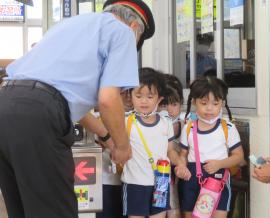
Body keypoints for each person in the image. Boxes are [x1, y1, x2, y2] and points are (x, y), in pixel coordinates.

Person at [0, 0, 155, 217]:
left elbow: (67, 97)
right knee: (54, 211)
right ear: (135, 29)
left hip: (6, 102)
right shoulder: (123, 32)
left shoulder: (70, 25)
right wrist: (122, 146)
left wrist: (107, 135)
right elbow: (109, 99)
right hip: (39, 115)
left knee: (23, 209)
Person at [121, 68, 190, 218]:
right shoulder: (126, 122)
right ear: (130, 96)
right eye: (138, 96)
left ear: (159, 99)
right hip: (135, 184)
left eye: (150, 96)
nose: (144, 101)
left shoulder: (165, 123)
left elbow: (170, 150)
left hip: (161, 183)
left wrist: (180, 164)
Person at [178, 76, 244, 218]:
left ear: (222, 103)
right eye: (204, 103)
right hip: (192, 180)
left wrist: (220, 163)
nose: (209, 108)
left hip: (218, 180)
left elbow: (239, 156)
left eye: (215, 103)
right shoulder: (189, 128)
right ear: (194, 102)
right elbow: (183, 154)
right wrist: (181, 167)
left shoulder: (228, 128)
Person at [95, 90, 133, 218]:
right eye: (123, 93)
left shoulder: (138, 120)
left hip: (132, 183)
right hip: (106, 182)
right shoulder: (99, 119)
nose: (128, 97)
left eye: (131, 93)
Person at [159, 74, 184, 218]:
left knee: (175, 209)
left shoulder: (186, 125)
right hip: (157, 176)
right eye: (164, 105)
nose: (168, 109)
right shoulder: (152, 123)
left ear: (181, 103)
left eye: (174, 104)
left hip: (177, 177)